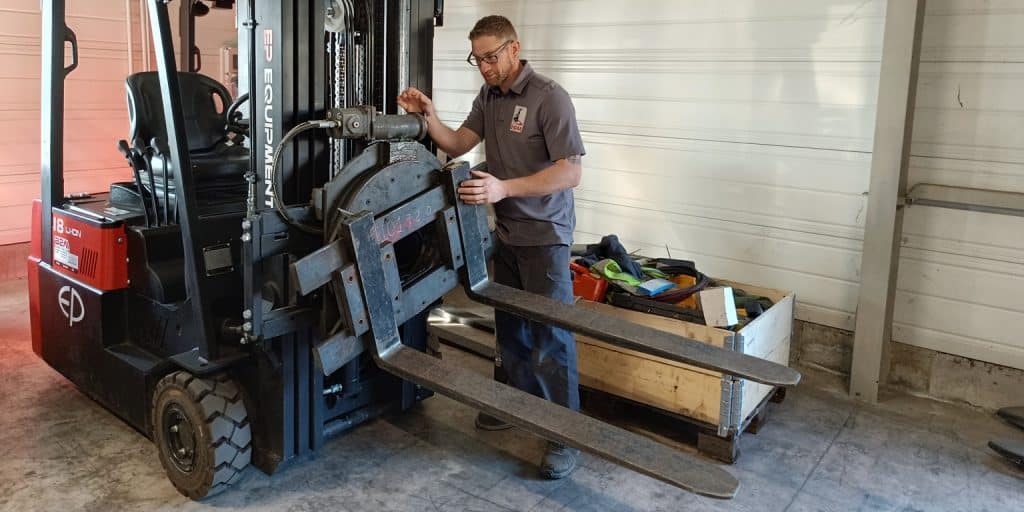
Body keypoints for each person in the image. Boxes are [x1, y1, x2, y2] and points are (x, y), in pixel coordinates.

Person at [397, 14, 586, 479]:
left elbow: (570, 172)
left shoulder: (549, 98)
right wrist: (429, 118)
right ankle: (511, 403)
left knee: (551, 338)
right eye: (477, 59)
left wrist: (503, 190)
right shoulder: (490, 97)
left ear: (514, 49)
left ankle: (565, 436)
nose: (484, 67)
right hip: (507, 234)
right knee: (513, 331)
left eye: (491, 57)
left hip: (545, 237)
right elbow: (459, 142)